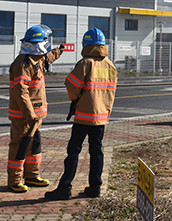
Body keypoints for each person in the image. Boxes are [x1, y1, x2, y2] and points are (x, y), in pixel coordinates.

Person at [45, 28, 117, 200]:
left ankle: (65, 187)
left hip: (84, 116)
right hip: (101, 119)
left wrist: (75, 98)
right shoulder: (110, 65)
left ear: (86, 44)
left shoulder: (85, 63)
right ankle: (95, 187)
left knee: (73, 152)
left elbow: (71, 85)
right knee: (97, 152)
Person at [8, 25, 64, 193]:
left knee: (34, 147)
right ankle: (15, 181)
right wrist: (30, 114)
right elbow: (21, 92)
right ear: (39, 44)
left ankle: (32, 176)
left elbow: (49, 58)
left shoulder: (36, 59)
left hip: (35, 117)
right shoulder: (23, 64)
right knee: (20, 148)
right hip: (24, 117)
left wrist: (59, 50)